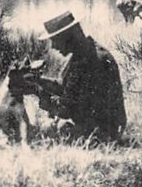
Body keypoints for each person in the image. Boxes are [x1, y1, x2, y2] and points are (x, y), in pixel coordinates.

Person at [34, 11, 126, 142]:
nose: (54, 46)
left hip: (103, 132)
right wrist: (38, 81)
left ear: (68, 37)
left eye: (55, 40)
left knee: (46, 130)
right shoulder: (85, 52)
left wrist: (43, 97)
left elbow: (66, 110)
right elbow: (67, 88)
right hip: (102, 125)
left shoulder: (91, 60)